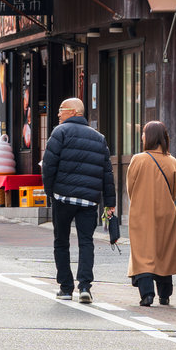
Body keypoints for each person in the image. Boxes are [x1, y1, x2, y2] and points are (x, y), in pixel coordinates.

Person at [40, 96, 114, 303]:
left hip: (63, 198)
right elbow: (107, 173)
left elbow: (48, 165)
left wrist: (50, 192)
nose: (58, 113)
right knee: (86, 242)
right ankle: (85, 287)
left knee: (61, 241)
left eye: (61, 109)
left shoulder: (59, 132)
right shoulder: (99, 138)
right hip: (89, 201)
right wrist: (110, 202)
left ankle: (65, 288)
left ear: (73, 111)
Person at [126, 120, 176, 307]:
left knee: (143, 254)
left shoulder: (138, 159)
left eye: (143, 132)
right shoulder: (172, 160)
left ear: (149, 137)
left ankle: (147, 294)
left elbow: (130, 188)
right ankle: (165, 295)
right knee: (164, 251)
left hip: (141, 213)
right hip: (167, 213)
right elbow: (173, 190)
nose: (142, 136)